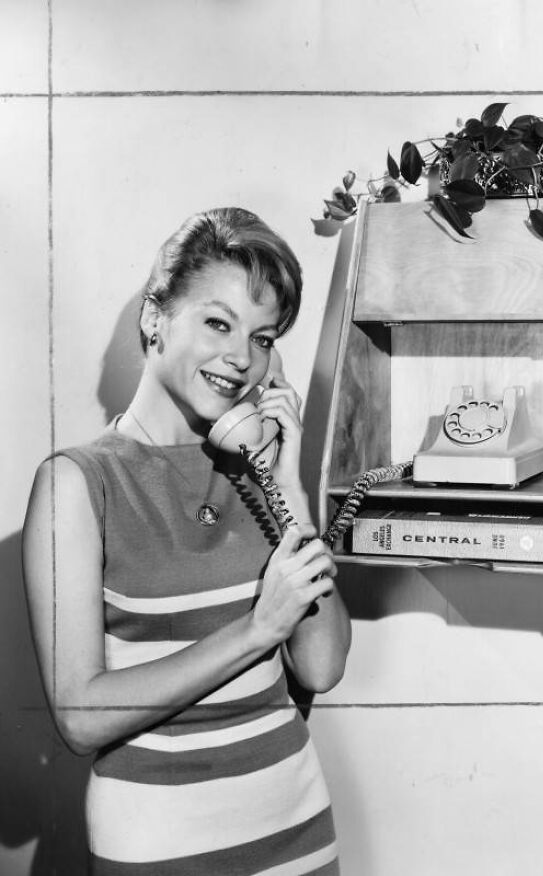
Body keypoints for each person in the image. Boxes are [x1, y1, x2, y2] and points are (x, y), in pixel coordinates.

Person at [22, 207, 351, 875]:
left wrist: (289, 483)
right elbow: (80, 717)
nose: (241, 358)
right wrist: (258, 632)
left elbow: (320, 668)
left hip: (295, 828)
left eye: (262, 338)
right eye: (218, 323)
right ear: (156, 317)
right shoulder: (78, 484)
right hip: (160, 846)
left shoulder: (259, 471)